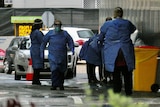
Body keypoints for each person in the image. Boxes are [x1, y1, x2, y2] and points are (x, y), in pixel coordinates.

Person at [99, 7, 136, 96]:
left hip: (113, 53)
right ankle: (128, 92)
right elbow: (133, 29)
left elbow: (101, 36)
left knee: (116, 74)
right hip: (125, 51)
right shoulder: (127, 23)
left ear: (114, 14)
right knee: (127, 73)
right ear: (122, 14)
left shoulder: (107, 24)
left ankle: (117, 91)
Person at [40, 20, 74, 90]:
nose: (57, 27)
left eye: (58, 25)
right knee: (54, 70)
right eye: (56, 25)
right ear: (54, 26)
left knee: (61, 71)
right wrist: (41, 51)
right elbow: (44, 42)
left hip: (62, 55)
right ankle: (54, 84)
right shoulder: (50, 34)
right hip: (53, 55)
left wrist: (72, 49)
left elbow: (70, 41)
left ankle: (60, 84)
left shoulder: (65, 34)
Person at [30, 19, 44, 85]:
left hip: (33, 49)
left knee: (35, 65)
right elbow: (42, 41)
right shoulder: (37, 33)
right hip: (37, 49)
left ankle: (35, 79)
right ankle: (36, 80)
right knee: (37, 65)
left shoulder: (33, 32)